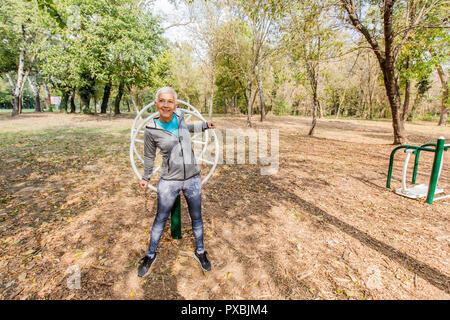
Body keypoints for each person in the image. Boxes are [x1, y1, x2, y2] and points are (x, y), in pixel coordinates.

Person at [138, 86, 216, 277]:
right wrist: (145, 177)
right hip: (169, 180)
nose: (166, 105)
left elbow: (188, 129)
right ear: (156, 103)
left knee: (196, 217)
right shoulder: (151, 130)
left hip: (192, 178)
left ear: (175, 104)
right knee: (160, 218)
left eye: (170, 101)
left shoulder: (180, 117)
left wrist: (205, 125)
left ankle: (200, 252)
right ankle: (150, 255)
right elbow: (149, 157)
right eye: (162, 101)